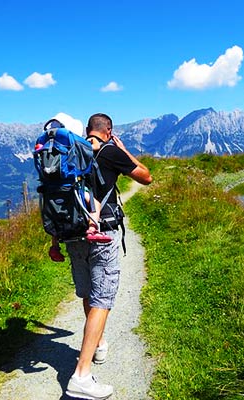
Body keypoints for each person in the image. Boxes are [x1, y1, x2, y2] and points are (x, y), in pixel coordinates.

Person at [65, 113, 152, 400]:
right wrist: (123, 148)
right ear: (109, 131)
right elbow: (146, 176)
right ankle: (82, 374)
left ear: (87, 130)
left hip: (74, 234)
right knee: (103, 299)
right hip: (103, 233)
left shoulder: (71, 150)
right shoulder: (111, 151)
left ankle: (98, 343)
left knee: (89, 293)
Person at [42, 113, 111, 263]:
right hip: (72, 185)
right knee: (95, 203)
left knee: (55, 214)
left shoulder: (47, 144)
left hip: (51, 189)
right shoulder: (73, 142)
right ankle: (93, 229)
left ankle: (54, 247)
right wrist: (93, 143)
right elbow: (94, 147)